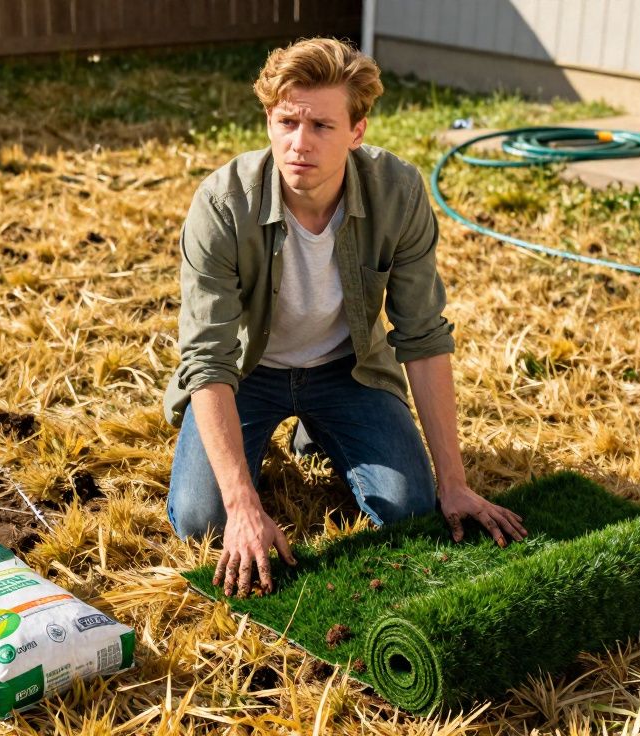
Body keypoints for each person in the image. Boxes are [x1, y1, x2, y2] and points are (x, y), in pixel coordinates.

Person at [164, 38, 526, 598]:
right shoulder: (221, 204)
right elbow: (207, 359)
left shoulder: (398, 192)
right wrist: (242, 505)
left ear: (357, 132)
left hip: (346, 369)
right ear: (268, 120)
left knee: (409, 509)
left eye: (322, 127)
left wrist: (454, 484)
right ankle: (275, 446)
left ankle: (321, 429)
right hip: (245, 376)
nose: (299, 143)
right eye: (286, 122)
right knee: (200, 521)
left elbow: (424, 337)